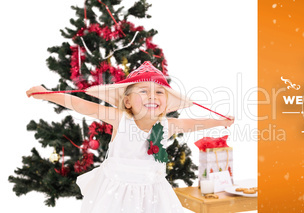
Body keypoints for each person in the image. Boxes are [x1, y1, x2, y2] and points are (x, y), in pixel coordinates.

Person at [26, 61, 234, 213]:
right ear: (127, 102)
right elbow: (82, 106)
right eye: (143, 91)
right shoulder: (120, 119)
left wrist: (221, 121)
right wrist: (47, 94)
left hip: (154, 194)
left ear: (167, 102)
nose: (152, 96)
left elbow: (192, 125)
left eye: (159, 93)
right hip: (116, 194)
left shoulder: (166, 125)